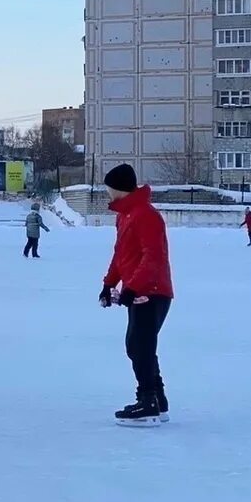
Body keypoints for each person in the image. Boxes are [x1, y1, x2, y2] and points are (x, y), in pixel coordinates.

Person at [98, 164, 174, 427]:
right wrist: (109, 284)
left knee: (139, 345)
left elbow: (153, 257)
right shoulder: (126, 215)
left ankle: (148, 401)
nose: (106, 192)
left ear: (117, 188)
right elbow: (122, 255)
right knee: (141, 346)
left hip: (152, 291)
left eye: (108, 187)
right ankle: (157, 400)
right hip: (139, 290)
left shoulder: (146, 215)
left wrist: (131, 288)